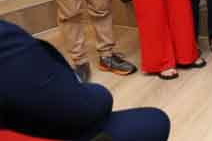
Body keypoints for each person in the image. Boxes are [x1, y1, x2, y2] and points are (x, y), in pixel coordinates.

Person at [0, 20, 170, 141]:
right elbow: (80, 111)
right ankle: (79, 62)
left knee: (99, 7)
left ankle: (106, 56)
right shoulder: (7, 39)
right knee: (153, 121)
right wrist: (101, 92)